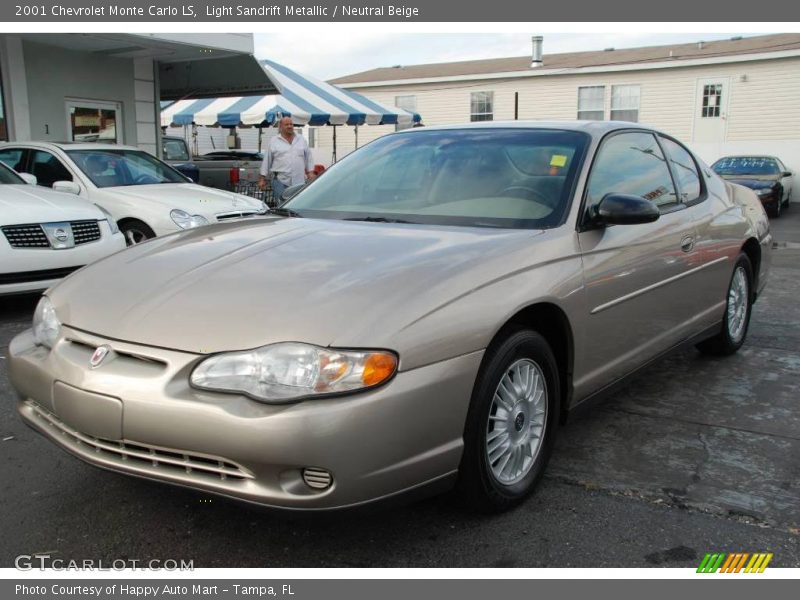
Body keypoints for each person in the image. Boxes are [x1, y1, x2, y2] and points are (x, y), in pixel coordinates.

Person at [258, 116, 316, 204]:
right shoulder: (274, 141)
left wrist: (310, 172)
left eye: (291, 124)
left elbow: (308, 157)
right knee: (283, 206)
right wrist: (262, 178)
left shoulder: (301, 139)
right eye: (286, 124)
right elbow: (267, 160)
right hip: (280, 181)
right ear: (280, 127)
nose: (289, 126)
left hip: (298, 181)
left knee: (297, 205)